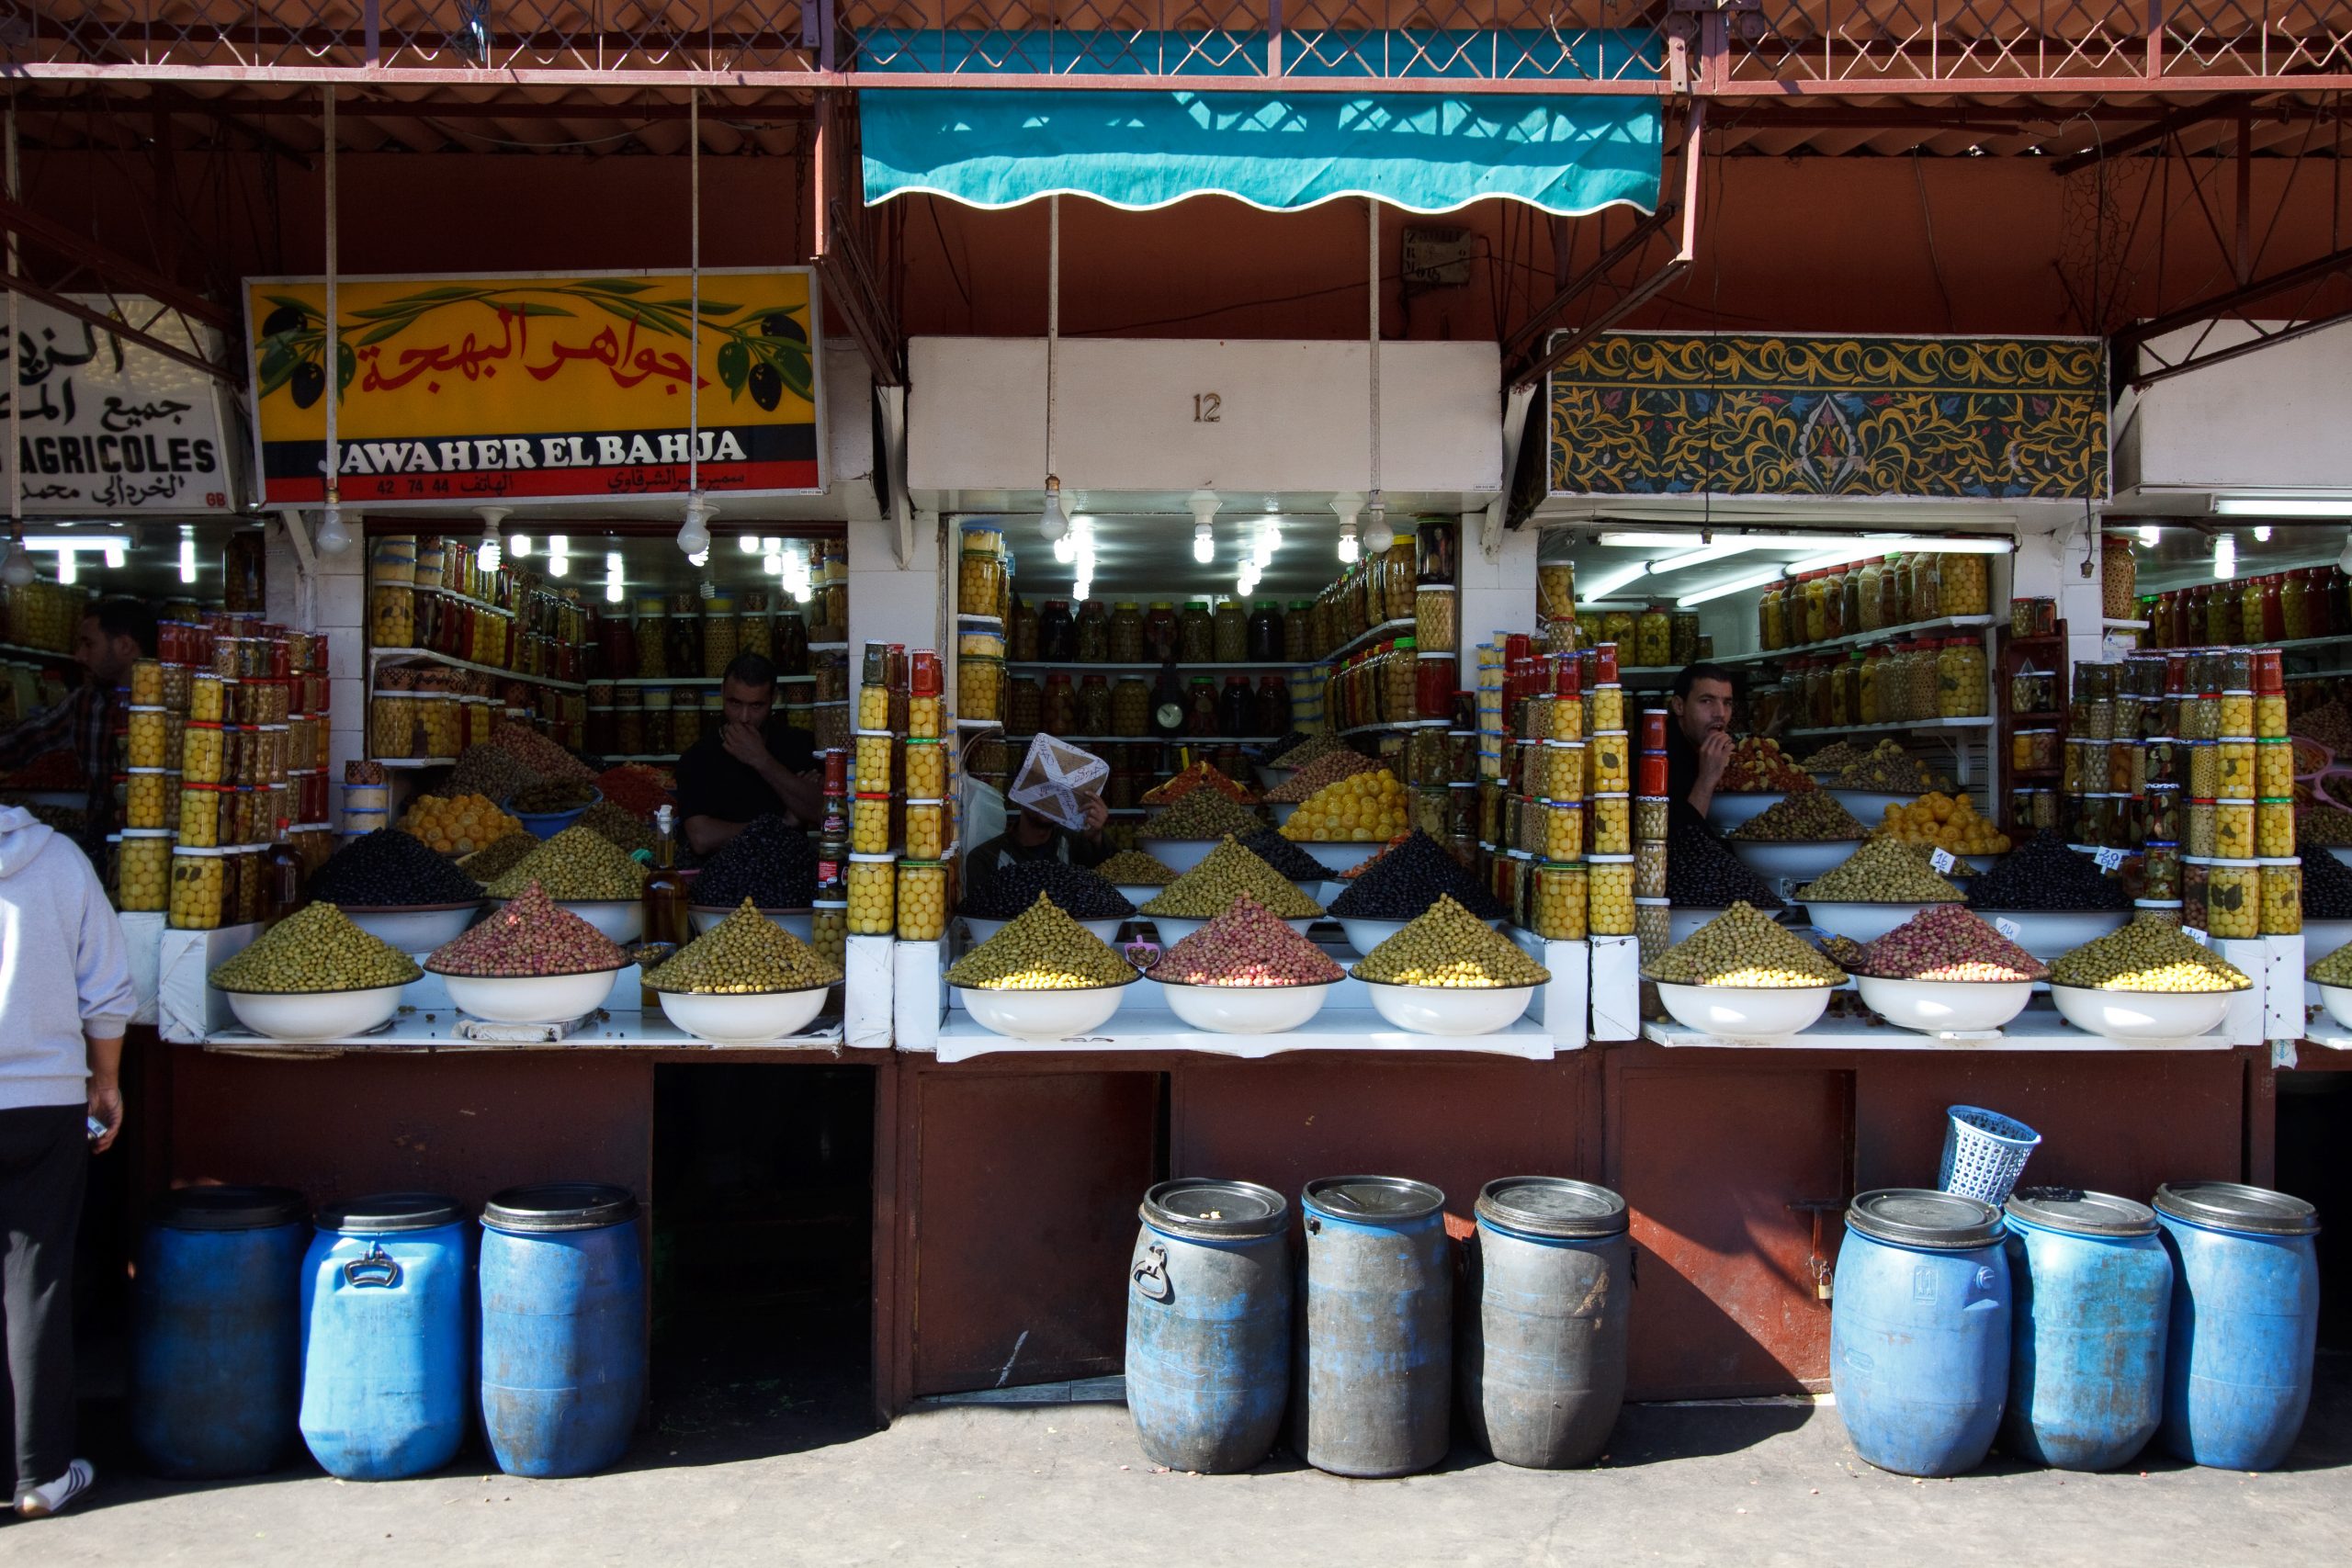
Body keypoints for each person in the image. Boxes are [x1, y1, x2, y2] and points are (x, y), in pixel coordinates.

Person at [0, 801, 134, 1519]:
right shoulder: (56, 859)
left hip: (42, 1098)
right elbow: (107, 984)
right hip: (43, 1099)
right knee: (35, 1278)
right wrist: (105, 1079)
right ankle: (39, 1474)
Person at [0, 599, 158, 856]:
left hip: (154, 851)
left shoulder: (173, 703)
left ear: (125, 645)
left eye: (89, 643)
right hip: (100, 844)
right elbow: (21, 743)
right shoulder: (86, 702)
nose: (79, 655)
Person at [675, 652, 825, 855]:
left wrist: (761, 760)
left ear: (774, 698)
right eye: (735, 703)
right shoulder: (698, 758)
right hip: (724, 878)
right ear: (722, 692)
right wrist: (782, 824)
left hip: (788, 871)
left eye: (756, 706)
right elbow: (702, 838)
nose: (744, 717)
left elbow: (826, 815)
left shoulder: (799, 744)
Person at [963, 798, 1114, 906]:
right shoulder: (985, 859)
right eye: (1040, 789)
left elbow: (1112, 880)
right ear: (1019, 795)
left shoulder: (1076, 844)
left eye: (1058, 792)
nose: (1049, 798)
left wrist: (1096, 836)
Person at [1665, 660, 1738, 832]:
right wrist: (1706, 779)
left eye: (1727, 703)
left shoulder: (1726, 752)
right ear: (1679, 706)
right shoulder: (1655, 758)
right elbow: (1681, 844)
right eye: (1706, 701)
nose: (1720, 713)